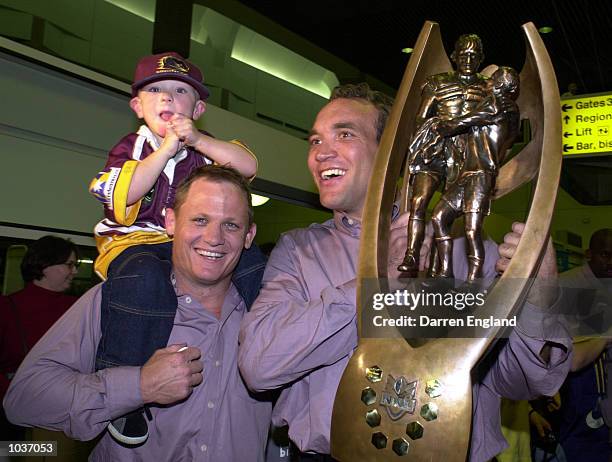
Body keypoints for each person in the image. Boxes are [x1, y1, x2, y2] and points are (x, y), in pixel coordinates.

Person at [238, 82, 571, 462]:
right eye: (314, 141)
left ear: (392, 154)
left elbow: (523, 381)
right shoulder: (297, 252)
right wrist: (377, 289)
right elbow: (259, 366)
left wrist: (540, 300)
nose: (321, 152)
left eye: (344, 134)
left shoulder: (463, 249)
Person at [4, 165, 272, 461]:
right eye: (199, 219)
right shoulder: (120, 298)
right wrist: (139, 385)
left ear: (249, 235)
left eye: (231, 225)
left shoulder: (268, 316)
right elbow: (24, 399)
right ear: (171, 222)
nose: (213, 237)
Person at [88, 51, 266, 443]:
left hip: (186, 240)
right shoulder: (132, 146)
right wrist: (165, 149)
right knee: (144, 280)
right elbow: (122, 200)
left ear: (198, 108)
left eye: (180, 92)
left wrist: (197, 140)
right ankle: (123, 384)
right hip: (136, 239)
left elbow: (249, 166)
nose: (167, 98)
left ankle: (267, 345)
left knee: (255, 263)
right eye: (156, 90)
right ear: (137, 106)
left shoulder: (204, 149)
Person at [399, 33, 490, 275]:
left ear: (480, 58)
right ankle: (411, 254)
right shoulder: (437, 83)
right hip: (435, 148)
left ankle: (439, 268)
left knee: (445, 216)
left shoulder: (487, 87)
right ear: (453, 56)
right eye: (463, 54)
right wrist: (435, 129)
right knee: (419, 201)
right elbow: (421, 117)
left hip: (466, 156)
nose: (468, 59)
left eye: (473, 55)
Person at [430, 66, 521, 281]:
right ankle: (444, 272)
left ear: (500, 84)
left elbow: (465, 120)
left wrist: (441, 126)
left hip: (481, 174)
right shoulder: (505, 108)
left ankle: (472, 279)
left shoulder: (498, 104)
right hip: (467, 173)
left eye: (491, 79)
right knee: (439, 217)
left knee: (471, 231)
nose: (487, 82)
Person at [0, 236, 78, 440]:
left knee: (51, 452)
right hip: (13, 417)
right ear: (45, 266)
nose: (75, 272)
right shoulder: (7, 308)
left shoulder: (80, 308)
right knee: (16, 453)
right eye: (70, 265)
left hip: (64, 416)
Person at [557, 228, 612, 462]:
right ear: (589, 254)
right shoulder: (570, 284)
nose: (611, 262)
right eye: (605, 255)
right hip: (579, 382)